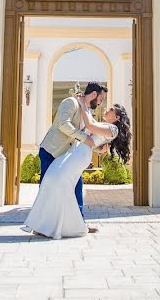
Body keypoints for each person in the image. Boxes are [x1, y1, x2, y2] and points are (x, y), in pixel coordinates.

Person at [22, 99, 132, 239]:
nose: (106, 109)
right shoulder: (106, 127)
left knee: (57, 182)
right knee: (53, 181)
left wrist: (82, 104)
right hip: (76, 152)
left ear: (116, 117)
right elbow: (98, 144)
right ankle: (53, 223)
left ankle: (55, 225)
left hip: (80, 155)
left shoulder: (113, 129)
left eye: (110, 109)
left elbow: (89, 124)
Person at [37, 82, 105, 227]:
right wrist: (84, 137)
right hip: (51, 151)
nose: (100, 103)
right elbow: (63, 124)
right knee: (47, 188)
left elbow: (88, 135)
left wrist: (98, 148)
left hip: (69, 156)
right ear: (93, 95)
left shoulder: (87, 111)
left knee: (77, 185)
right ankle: (42, 225)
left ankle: (79, 224)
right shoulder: (70, 102)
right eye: (101, 99)